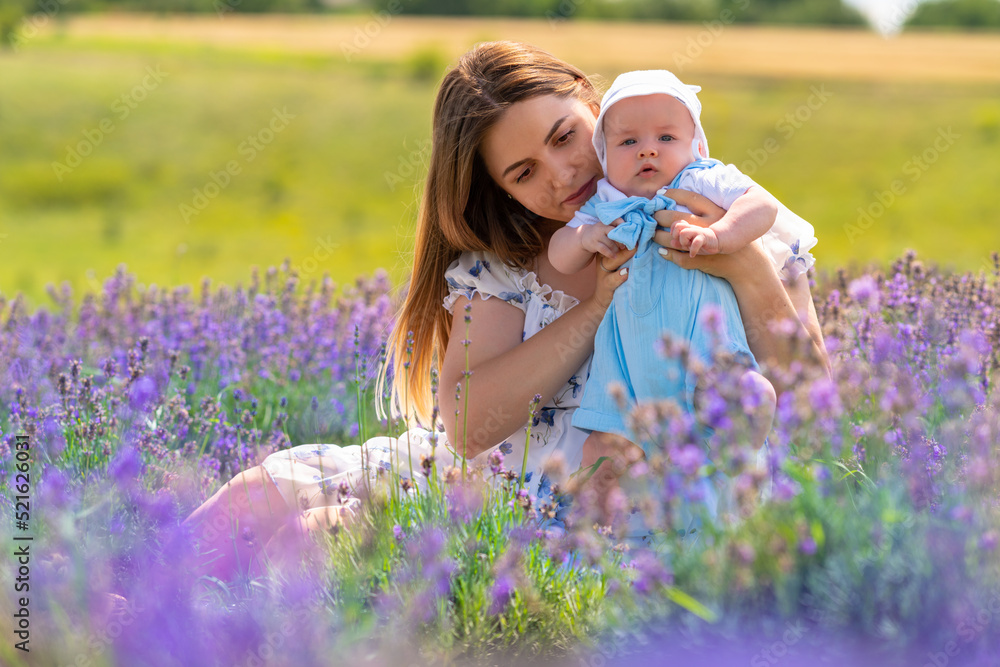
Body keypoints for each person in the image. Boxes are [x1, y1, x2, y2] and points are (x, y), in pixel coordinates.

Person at [183, 41, 829, 582]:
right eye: (524, 172)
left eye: (564, 135)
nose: (561, 173)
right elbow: (464, 425)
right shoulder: (508, 262)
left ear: (591, 101)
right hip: (498, 481)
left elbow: (815, 397)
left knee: (311, 538)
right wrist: (596, 306)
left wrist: (743, 262)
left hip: (619, 503)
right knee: (254, 496)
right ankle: (125, 601)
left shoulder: (726, 212)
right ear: (501, 190)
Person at [546, 69, 818, 465]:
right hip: (626, 368)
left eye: (666, 138)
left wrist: (722, 234)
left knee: (733, 395)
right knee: (598, 451)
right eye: (628, 141)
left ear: (697, 146)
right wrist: (584, 238)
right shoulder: (606, 201)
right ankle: (598, 524)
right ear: (605, 157)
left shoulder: (701, 180)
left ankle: (731, 465)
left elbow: (761, 205)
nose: (647, 150)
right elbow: (559, 252)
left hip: (708, 354)